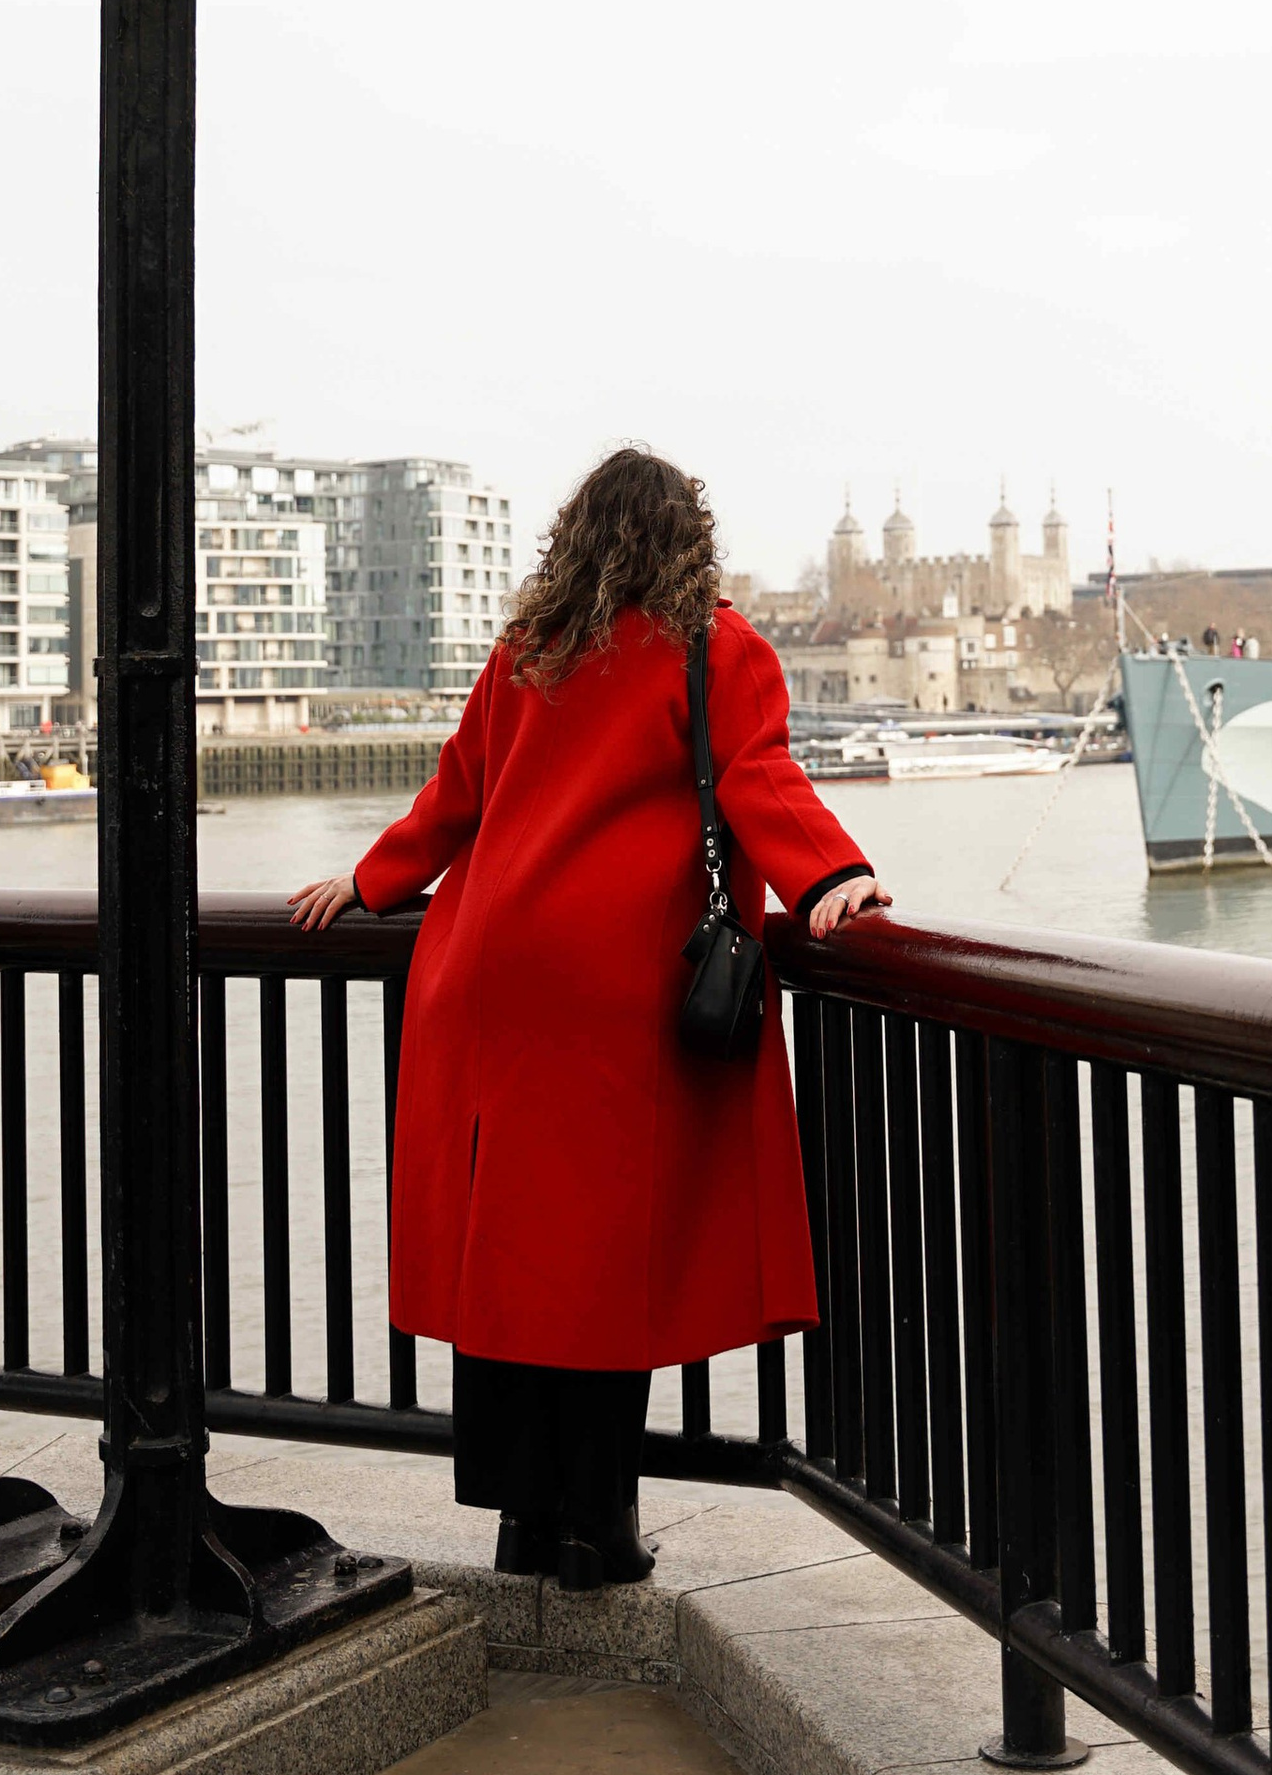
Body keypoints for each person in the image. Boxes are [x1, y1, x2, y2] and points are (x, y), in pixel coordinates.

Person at [289, 448, 887, 1590]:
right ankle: (597, 1533)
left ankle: (524, 1521)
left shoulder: (528, 651)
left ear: (574, 537)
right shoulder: (717, 648)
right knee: (607, 1264)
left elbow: (451, 798)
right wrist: (829, 880)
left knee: (512, 1259)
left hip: (480, 975)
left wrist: (366, 883)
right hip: (612, 989)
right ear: (686, 538)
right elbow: (760, 778)